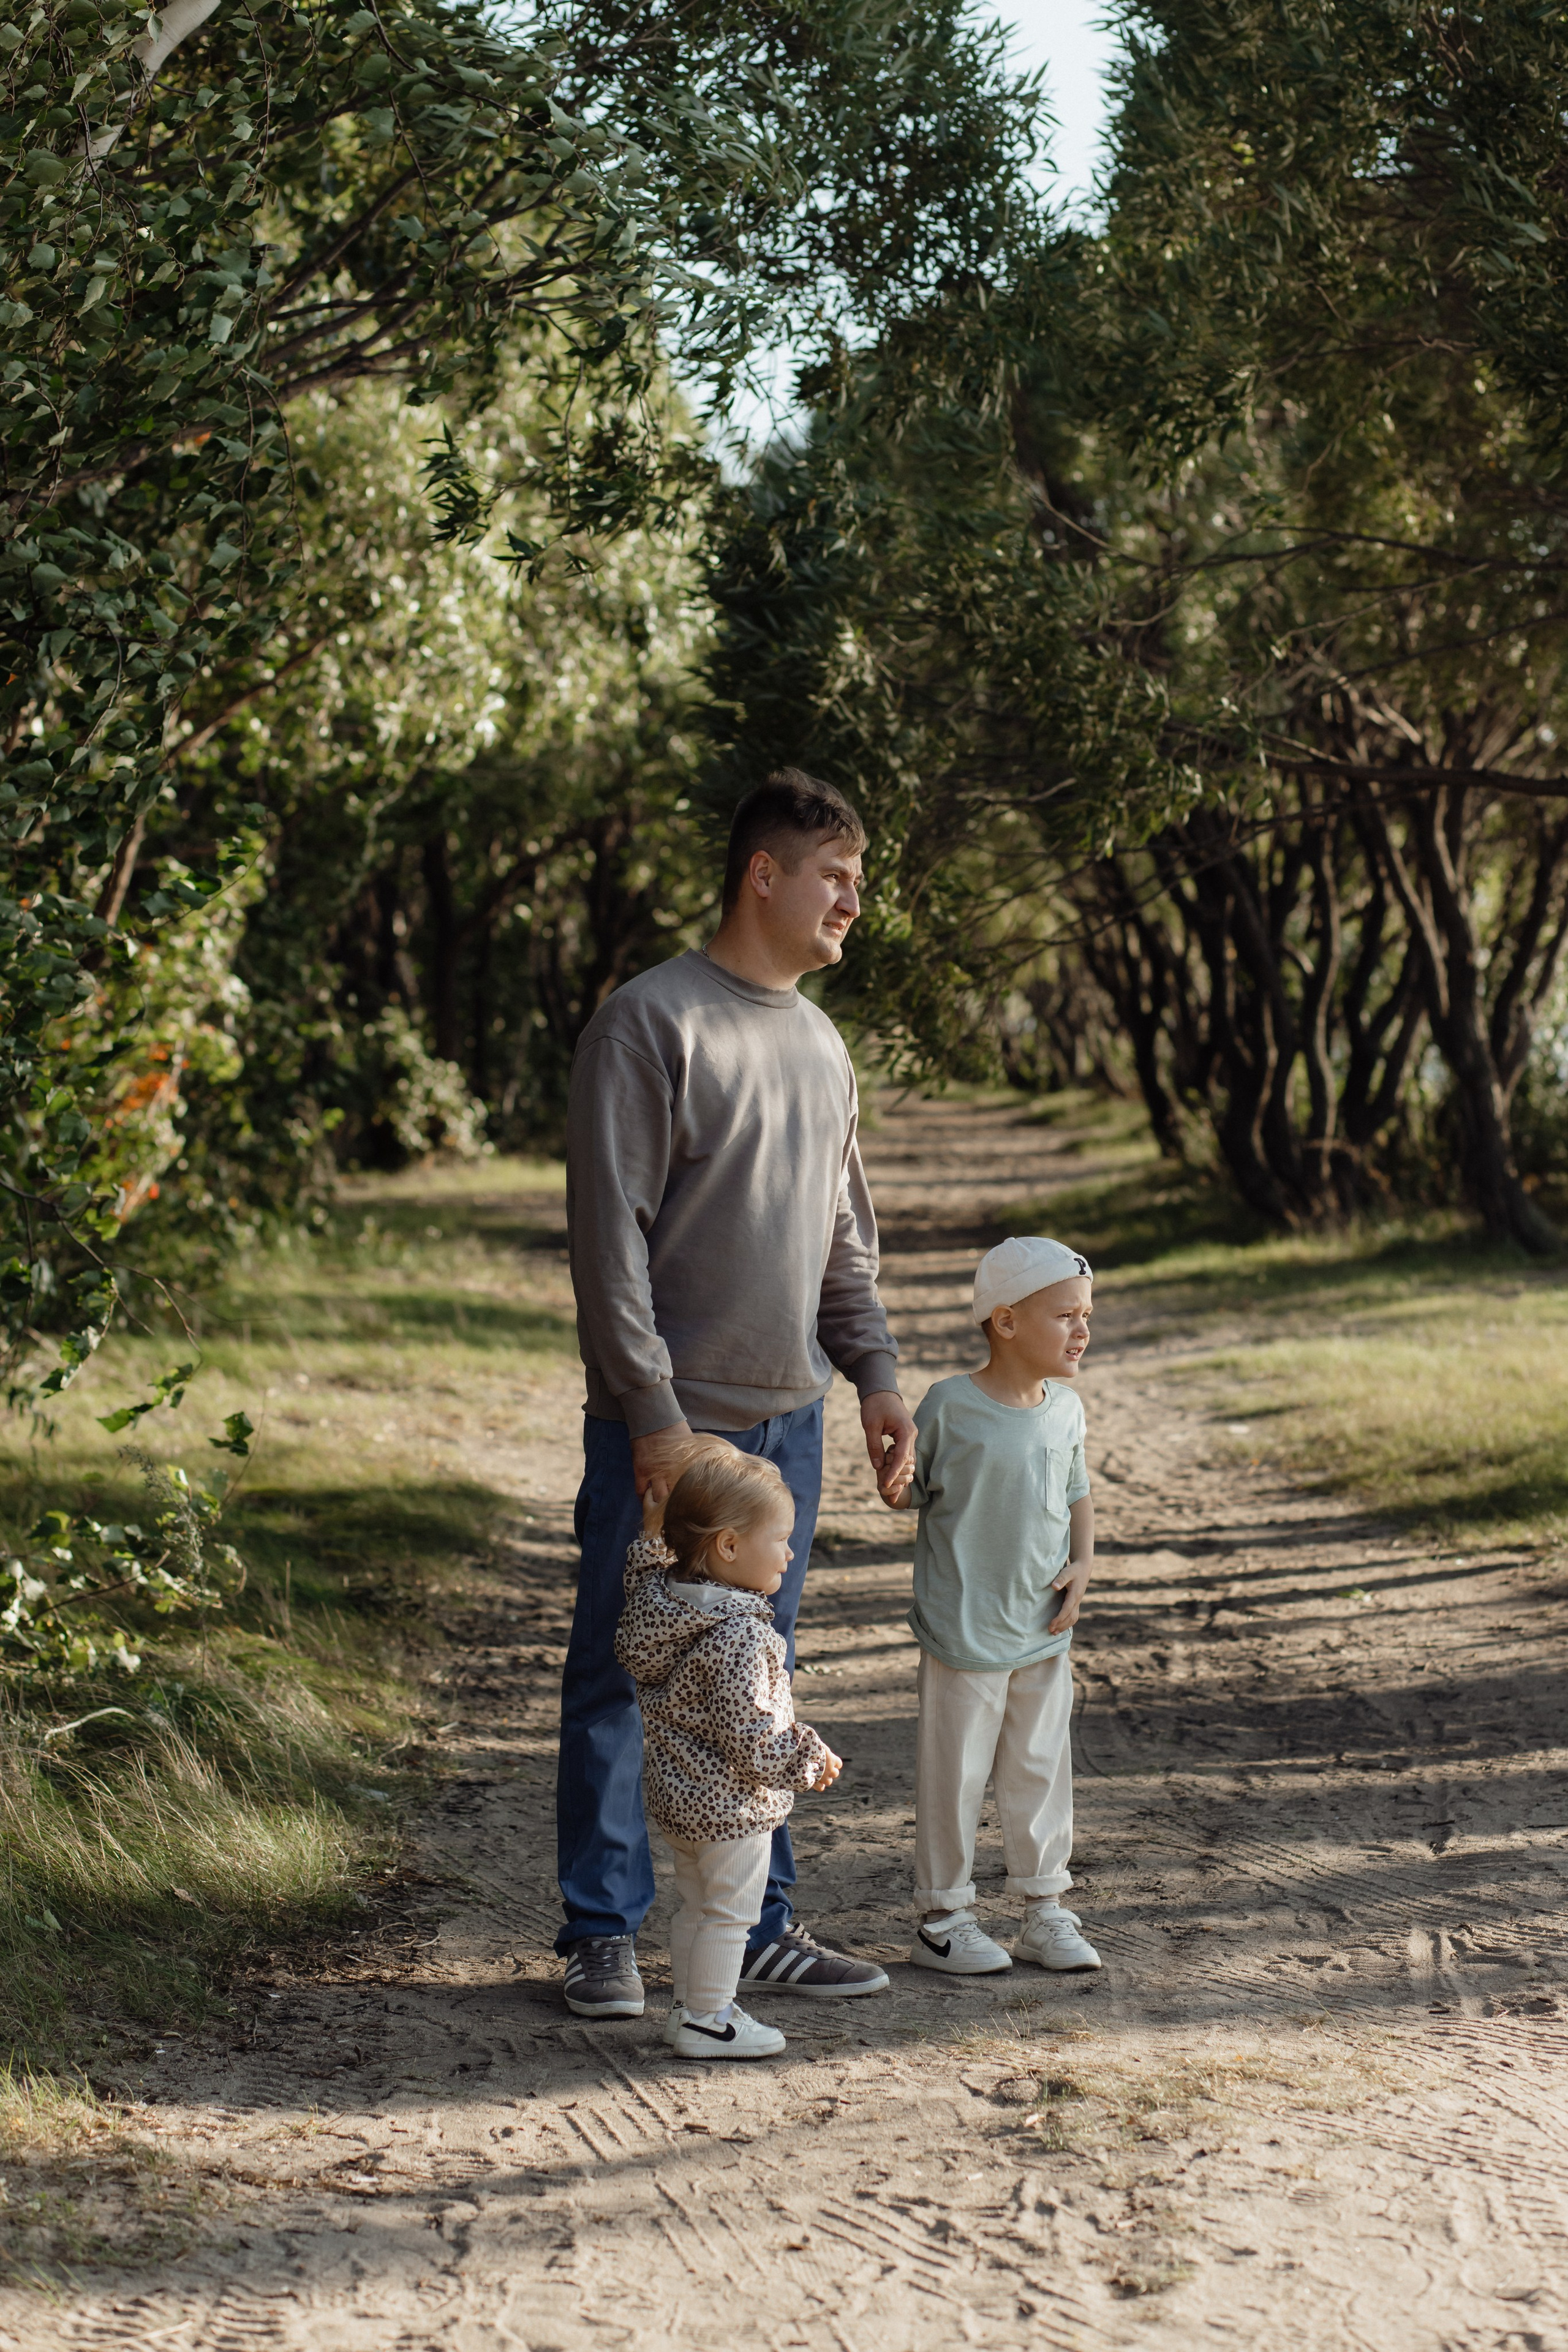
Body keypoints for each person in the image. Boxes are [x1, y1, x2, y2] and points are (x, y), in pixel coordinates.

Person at [557, 767, 917, 2019]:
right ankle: (600, 1934)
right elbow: (609, 1245)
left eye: (857, 883)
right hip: (669, 1428)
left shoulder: (822, 1046)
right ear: (762, 874)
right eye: (835, 877)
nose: (851, 904)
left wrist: (871, 1372)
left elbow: (842, 1243)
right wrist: (651, 1416)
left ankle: (759, 1925)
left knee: (762, 1681)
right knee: (624, 1673)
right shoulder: (649, 1024)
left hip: (788, 1426)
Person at [880, 1235, 1104, 1977]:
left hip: (1043, 1629)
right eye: (1065, 1314)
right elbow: (910, 1488)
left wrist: (1083, 1562)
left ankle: (1044, 1909)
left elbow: (1076, 1490)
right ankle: (943, 1917)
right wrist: (891, 1481)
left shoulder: (1066, 1409)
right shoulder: (949, 1405)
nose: (1082, 1329)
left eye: (1086, 1315)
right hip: (963, 1633)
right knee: (956, 1775)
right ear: (1005, 1322)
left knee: (1041, 1768)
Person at [616, 1444, 842, 2060]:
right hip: (732, 1808)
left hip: (677, 1799)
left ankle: (691, 2008)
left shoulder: (661, 1604)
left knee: (697, 1906)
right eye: (781, 1538)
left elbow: (645, 1566)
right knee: (728, 1915)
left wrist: (657, 1531)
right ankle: (710, 2018)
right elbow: (752, 1737)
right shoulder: (743, 1635)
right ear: (729, 1547)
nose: (790, 1552)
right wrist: (807, 1758)